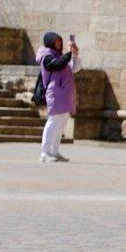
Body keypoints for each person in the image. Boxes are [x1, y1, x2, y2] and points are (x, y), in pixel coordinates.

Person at [36, 32, 81, 162]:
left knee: (61, 123)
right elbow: (57, 65)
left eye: (59, 41)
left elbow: (74, 68)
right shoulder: (46, 56)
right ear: (50, 42)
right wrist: (69, 53)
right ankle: (44, 152)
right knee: (53, 121)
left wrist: (75, 55)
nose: (58, 44)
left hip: (65, 94)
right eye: (56, 41)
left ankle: (54, 151)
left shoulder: (60, 56)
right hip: (55, 94)